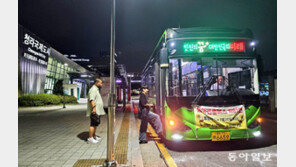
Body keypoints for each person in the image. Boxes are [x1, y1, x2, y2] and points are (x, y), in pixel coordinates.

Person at [86, 78, 106, 144]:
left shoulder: (96, 89)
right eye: (100, 83)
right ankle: (90, 138)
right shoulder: (93, 89)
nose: (101, 84)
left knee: (95, 124)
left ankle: (94, 136)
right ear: (96, 83)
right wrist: (94, 108)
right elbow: (91, 99)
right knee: (93, 124)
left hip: (98, 110)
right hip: (95, 110)